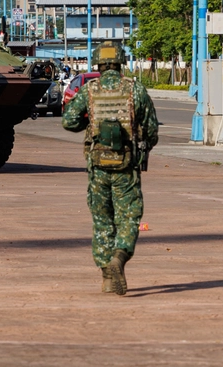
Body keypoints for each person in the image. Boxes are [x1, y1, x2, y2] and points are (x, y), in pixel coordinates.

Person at [62, 41, 159, 296]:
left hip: (98, 167)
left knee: (102, 221)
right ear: (120, 63)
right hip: (126, 166)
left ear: (99, 64)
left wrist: (92, 121)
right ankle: (119, 257)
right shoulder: (135, 89)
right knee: (129, 216)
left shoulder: (89, 89)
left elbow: (68, 121)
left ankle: (107, 277)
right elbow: (151, 129)